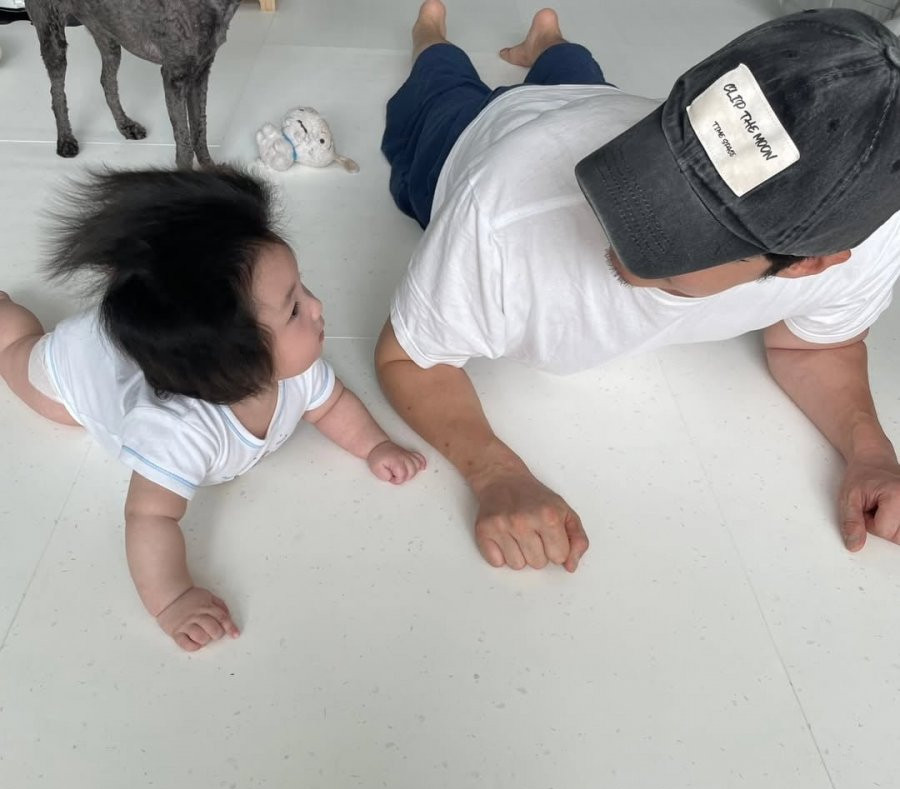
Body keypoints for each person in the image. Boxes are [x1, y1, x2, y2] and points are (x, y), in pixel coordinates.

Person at [376, 2, 900, 572]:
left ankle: (547, 44)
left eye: (692, 224)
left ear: (810, 264)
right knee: (442, 86)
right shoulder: (500, 214)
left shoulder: (875, 240)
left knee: (577, 75)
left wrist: (870, 452)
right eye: (664, 157)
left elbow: (815, 346)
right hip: (473, 139)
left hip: (597, 111)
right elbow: (410, 357)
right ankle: (433, 36)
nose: (623, 213)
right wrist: (495, 472)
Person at [0, 167, 426, 651]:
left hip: (160, 344)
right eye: (293, 309)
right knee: (18, 354)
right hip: (83, 369)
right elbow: (149, 517)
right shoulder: (180, 433)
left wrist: (375, 446)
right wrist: (173, 598)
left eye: (302, 289)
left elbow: (332, 405)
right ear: (233, 360)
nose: (317, 306)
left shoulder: (295, 369)